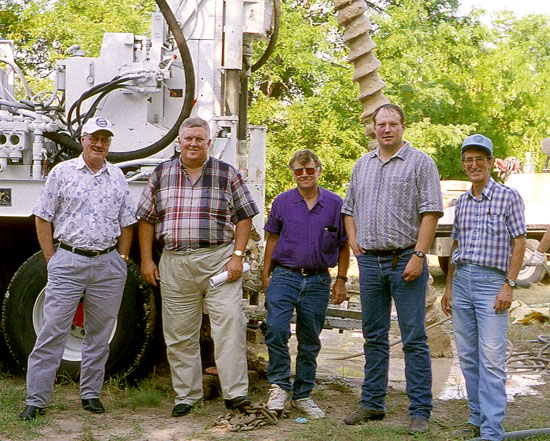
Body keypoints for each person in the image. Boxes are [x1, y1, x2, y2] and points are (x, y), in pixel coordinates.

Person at [136, 116, 259, 417]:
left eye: (199, 139)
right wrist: (148, 260)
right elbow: (145, 219)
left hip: (218, 260)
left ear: (208, 142)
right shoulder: (161, 173)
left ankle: (236, 394)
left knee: (230, 323)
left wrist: (238, 256)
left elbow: (244, 216)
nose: (193, 144)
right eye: (187, 139)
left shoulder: (226, 173)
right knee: (179, 333)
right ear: (179, 142)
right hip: (175, 262)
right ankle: (187, 396)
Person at [19, 116, 136, 420]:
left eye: (105, 140)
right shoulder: (62, 173)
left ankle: (91, 395)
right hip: (69, 260)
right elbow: (42, 217)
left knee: (99, 334)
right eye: (94, 138)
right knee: (52, 331)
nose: (99, 144)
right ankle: (36, 399)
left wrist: (121, 259)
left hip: (107, 264)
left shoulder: (117, 177)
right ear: (83, 139)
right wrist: (51, 258)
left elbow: (127, 222)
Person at [341, 103, 443, 434]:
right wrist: (354, 240)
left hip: (406, 261)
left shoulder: (420, 163)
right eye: (381, 124)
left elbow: (431, 213)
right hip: (370, 263)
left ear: (402, 126)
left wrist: (419, 254)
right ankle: (372, 404)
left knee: (413, 336)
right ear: (373, 127)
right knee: (373, 335)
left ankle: (420, 410)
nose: (386, 129)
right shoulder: (362, 165)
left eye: (392, 124)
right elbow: (348, 208)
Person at [441, 134, 526, 441]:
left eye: (480, 159)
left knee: (491, 358)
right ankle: (475, 418)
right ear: (464, 165)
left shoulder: (508, 197)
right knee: (467, 355)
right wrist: (449, 288)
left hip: (492, 283)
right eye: (468, 160)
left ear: (491, 163)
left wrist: (509, 284)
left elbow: (519, 242)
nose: (474, 165)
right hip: (462, 280)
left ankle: (492, 432)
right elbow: (457, 245)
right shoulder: (461, 202)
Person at [262, 150, 349, 419]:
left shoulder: (336, 204)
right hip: (285, 275)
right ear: (293, 173)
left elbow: (344, 246)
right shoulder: (282, 202)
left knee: (310, 339)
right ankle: (278, 387)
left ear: (319, 170)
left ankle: (303, 394)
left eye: (309, 170)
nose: (304, 175)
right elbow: (271, 240)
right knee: (275, 329)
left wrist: (341, 280)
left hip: (318, 279)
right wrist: (265, 275)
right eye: (299, 171)